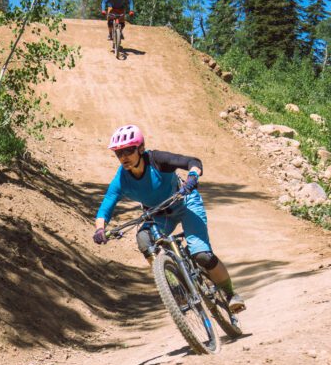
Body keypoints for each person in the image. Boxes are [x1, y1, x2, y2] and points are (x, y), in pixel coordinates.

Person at [92, 124, 245, 312]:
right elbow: (106, 204)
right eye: (118, 153)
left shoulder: (157, 160)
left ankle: (231, 294)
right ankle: (174, 288)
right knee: (143, 239)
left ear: (140, 149)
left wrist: (192, 178)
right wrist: (100, 229)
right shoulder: (121, 178)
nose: (123, 157)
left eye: (128, 150)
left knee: (202, 256)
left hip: (185, 202)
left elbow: (192, 161)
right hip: (157, 213)